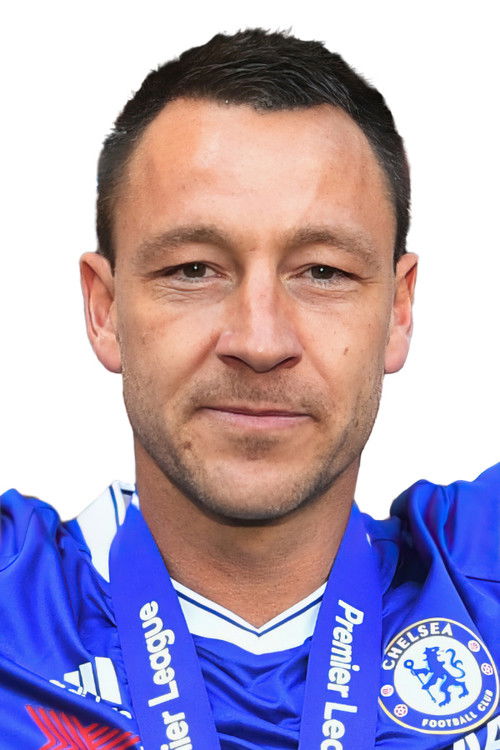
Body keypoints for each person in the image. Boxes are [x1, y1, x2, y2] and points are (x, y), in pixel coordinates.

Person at [0, 27, 498, 750]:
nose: (260, 342)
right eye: (193, 270)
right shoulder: (16, 602)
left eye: (323, 272)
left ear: (398, 310)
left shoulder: (478, 579)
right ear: (104, 310)